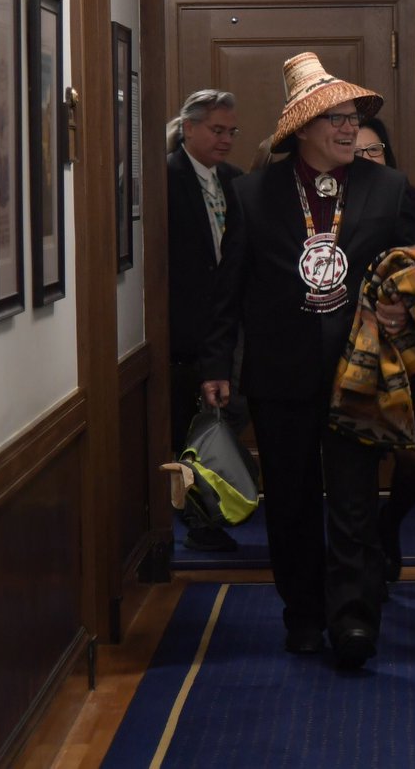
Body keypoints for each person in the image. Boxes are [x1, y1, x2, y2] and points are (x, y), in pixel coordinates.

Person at [200, 52, 415, 669]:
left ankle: (354, 622)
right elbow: (229, 289)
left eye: (354, 118)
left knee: (353, 502)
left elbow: (412, 272)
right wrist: (218, 364)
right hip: (280, 373)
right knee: (291, 504)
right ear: (302, 128)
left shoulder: (388, 187)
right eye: (336, 119)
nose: (350, 129)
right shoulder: (251, 193)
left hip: (360, 371)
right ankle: (303, 615)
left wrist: (401, 306)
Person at [354, 118, 415, 582]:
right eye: (357, 150)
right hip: (356, 351)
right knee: (361, 456)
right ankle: (365, 551)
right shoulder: (333, 204)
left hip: (414, 349)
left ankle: (388, 526)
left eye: (375, 151)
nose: (366, 159)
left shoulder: (411, 200)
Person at [166, 89, 244, 552]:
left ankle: (216, 507)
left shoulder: (233, 180)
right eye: (217, 130)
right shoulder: (163, 177)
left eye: (231, 131)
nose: (226, 139)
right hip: (183, 326)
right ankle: (197, 519)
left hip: (230, 324)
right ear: (189, 127)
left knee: (229, 416)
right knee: (189, 427)